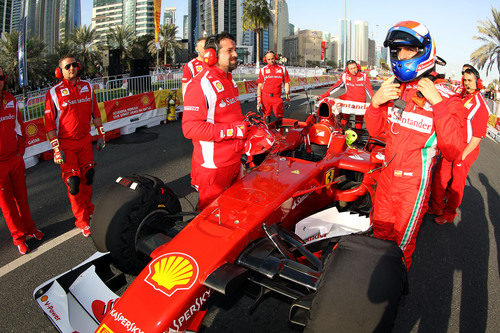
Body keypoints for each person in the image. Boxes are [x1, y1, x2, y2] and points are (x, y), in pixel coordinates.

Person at [364, 21, 465, 269]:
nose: (401, 56)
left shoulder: (446, 96)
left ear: (423, 51)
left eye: (408, 50)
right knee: (379, 236)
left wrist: (437, 104)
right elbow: (378, 132)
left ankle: (394, 296)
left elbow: (453, 150)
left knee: (401, 246)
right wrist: (375, 104)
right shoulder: (395, 89)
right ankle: (375, 294)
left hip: (413, 185)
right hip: (386, 178)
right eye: (398, 51)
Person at [182, 32, 248, 211]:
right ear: (212, 54)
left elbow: (226, 115)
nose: (235, 54)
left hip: (235, 161)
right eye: (230, 50)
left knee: (232, 211)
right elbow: (190, 128)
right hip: (214, 167)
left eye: (235, 50)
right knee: (208, 218)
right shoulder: (201, 84)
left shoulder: (229, 80)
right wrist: (234, 130)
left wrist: (246, 123)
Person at [44, 55, 105, 237]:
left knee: (88, 176)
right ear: (60, 71)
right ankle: (82, 220)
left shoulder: (87, 87)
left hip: (85, 141)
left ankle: (88, 207)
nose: (71, 69)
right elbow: (48, 125)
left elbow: (95, 113)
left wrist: (101, 134)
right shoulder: (53, 92)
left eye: (74, 65)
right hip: (66, 144)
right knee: (74, 182)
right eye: (67, 66)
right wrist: (56, 149)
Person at [429, 67, 490, 224]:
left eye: (470, 80)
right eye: (465, 80)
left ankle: (449, 214)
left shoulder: (481, 105)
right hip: (452, 143)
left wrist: (462, 156)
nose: (466, 83)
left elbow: (477, 137)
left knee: (456, 183)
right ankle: (437, 207)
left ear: (478, 82)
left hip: (466, 148)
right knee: (441, 175)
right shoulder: (462, 95)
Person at [0, 67, 44, 254]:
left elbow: (19, 127)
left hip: (15, 160)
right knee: (8, 206)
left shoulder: (10, 99)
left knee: (22, 199)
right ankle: (19, 238)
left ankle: (30, 228)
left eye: (0, 77)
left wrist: (20, 152)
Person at [256, 50, 291, 123]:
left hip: (277, 98)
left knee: (280, 119)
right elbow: (259, 86)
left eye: (272, 58)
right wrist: (259, 100)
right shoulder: (263, 70)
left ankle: (280, 133)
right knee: (266, 119)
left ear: (276, 57)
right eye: (268, 59)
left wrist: (288, 98)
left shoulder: (283, 69)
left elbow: (287, 83)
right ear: (265, 60)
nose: (271, 61)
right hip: (265, 98)